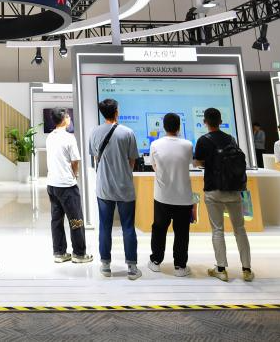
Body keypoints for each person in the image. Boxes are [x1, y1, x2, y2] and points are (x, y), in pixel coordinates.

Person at [193, 107, 253, 283]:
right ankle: (247, 269)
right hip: (234, 190)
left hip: (213, 190)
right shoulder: (231, 139)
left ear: (205, 122)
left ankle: (221, 269)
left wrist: (208, 163)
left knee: (217, 229)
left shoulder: (203, 140)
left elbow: (197, 162)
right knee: (240, 229)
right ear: (220, 121)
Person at [88, 98, 140, 280]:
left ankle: (105, 266)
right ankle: (132, 268)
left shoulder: (94, 132)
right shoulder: (128, 132)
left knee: (105, 226)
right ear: (116, 111)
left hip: (104, 187)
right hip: (125, 187)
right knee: (128, 226)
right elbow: (132, 161)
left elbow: (95, 158)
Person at [148, 112, 193, 277]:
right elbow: (188, 163)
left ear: (163, 126)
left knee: (159, 229)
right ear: (179, 127)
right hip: (184, 197)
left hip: (162, 196)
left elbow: (154, 166)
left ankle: (155, 262)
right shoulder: (188, 145)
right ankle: (180, 266)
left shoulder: (155, 144)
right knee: (182, 232)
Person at [45, 108, 91, 264]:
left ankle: (59, 253)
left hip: (52, 184)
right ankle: (79, 253)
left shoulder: (50, 137)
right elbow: (75, 161)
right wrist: (74, 174)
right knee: (76, 219)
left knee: (56, 220)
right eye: (68, 117)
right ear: (64, 119)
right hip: (66, 185)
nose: (70, 119)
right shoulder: (69, 138)